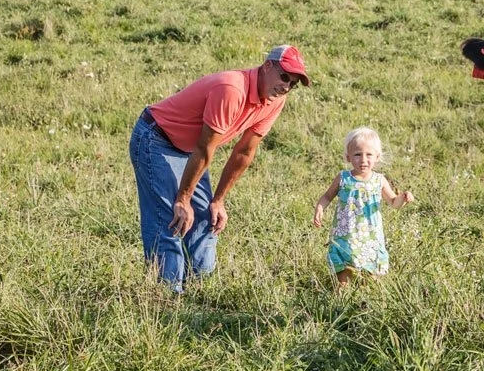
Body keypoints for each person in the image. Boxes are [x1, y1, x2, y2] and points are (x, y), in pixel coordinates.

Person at [129, 45, 310, 292]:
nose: (287, 86)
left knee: (206, 217)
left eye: (293, 83)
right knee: (171, 218)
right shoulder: (231, 89)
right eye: (285, 77)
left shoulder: (275, 100)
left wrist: (219, 200)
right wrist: (183, 199)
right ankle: (168, 298)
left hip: (190, 150)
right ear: (268, 66)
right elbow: (204, 149)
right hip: (157, 139)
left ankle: (204, 293)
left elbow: (245, 151)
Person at [313, 126, 414, 287]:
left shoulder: (379, 180)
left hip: (370, 235)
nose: (363, 160)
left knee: (371, 274)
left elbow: (393, 203)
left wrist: (403, 198)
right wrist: (320, 208)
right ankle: (341, 300)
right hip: (345, 233)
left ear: (377, 157)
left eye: (369, 155)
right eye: (357, 154)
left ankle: (366, 299)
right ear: (348, 157)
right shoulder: (343, 178)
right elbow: (327, 196)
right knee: (344, 270)